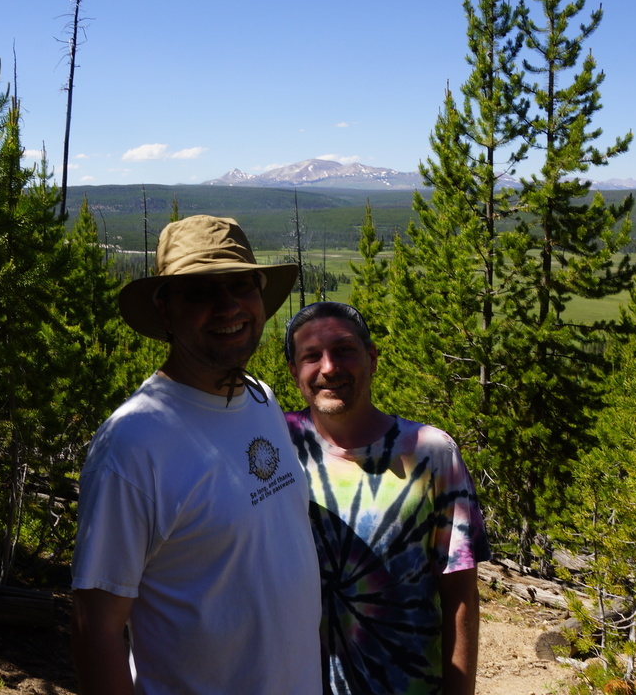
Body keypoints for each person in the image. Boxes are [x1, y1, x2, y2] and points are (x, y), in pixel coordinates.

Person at [71, 215, 323, 695]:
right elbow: (95, 630)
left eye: (241, 285)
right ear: (166, 311)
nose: (228, 306)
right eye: (201, 292)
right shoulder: (133, 445)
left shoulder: (260, 400)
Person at [283, 301, 491, 695]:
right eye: (312, 356)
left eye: (344, 350)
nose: (329, 367)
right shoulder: (272, 446)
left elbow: (460, 593)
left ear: (372, 358)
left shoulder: (432, 452)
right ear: (295, 371)